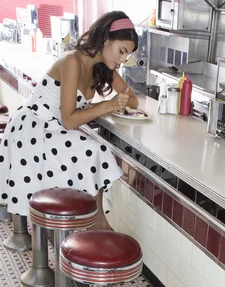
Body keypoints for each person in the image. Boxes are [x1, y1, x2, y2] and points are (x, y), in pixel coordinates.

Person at [0, 11, 139, 230]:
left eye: (127, 56)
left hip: (53, 131)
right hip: (33, 130)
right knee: (94, 151)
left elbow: (134, 102)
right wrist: (108, 105)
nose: (122, 60)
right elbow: (69, 121)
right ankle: (97, 225)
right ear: (105, 39)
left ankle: (95, 224)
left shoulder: (104, 68)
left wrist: (119, 100)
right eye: (121, 51)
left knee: (95, 151)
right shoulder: (71, 61)